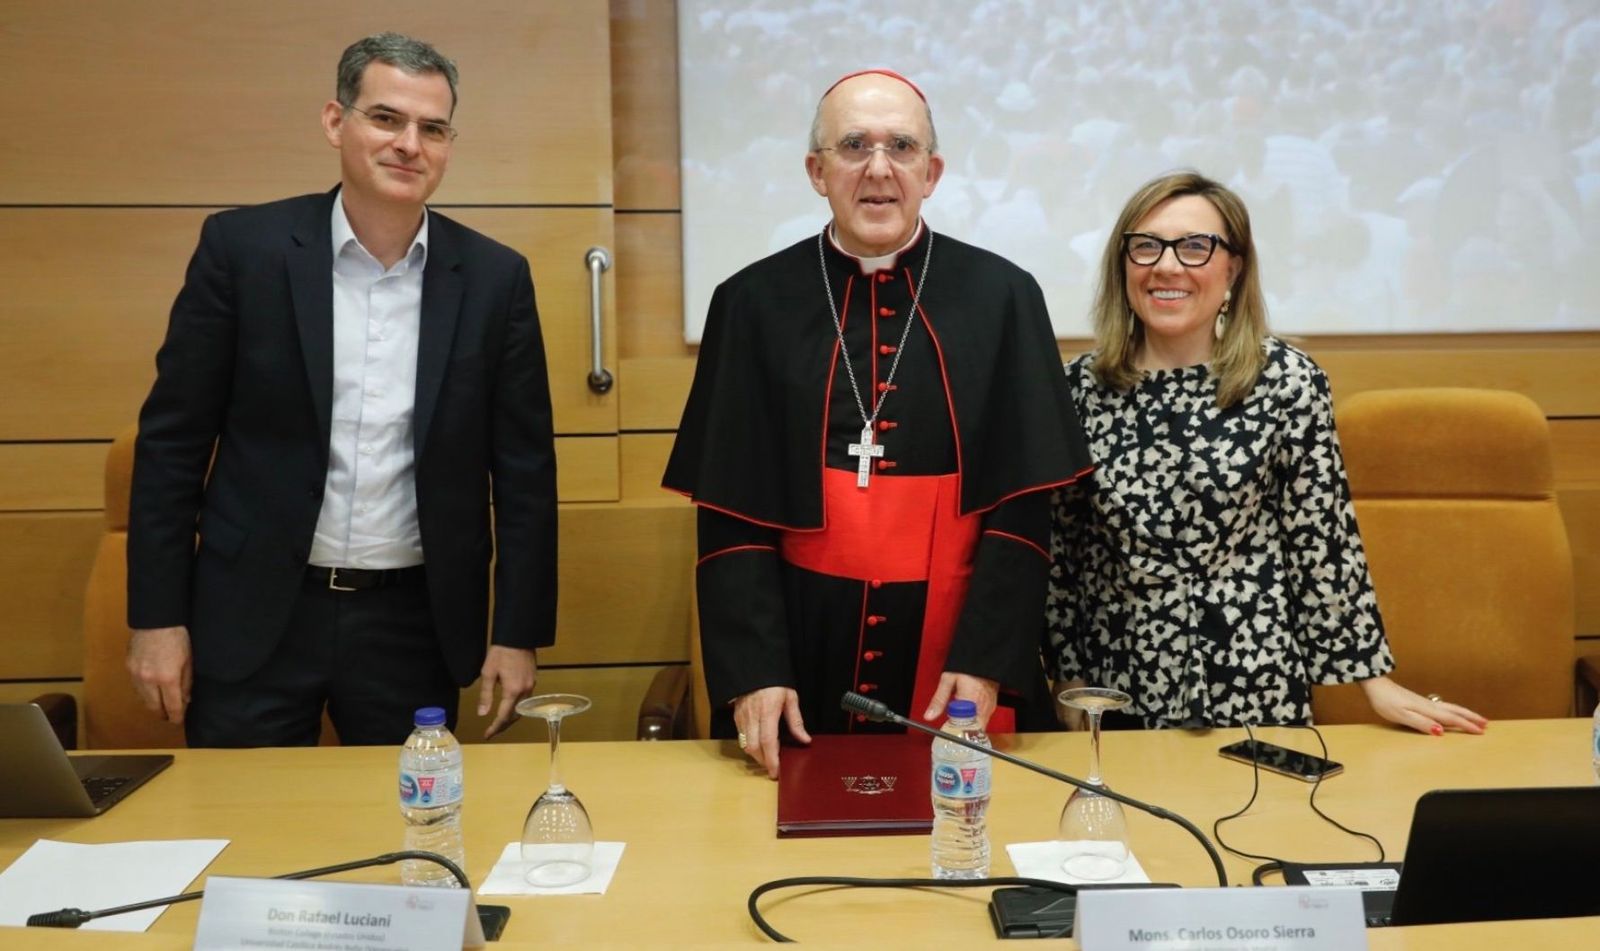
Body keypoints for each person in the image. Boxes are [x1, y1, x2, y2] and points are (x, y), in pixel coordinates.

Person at [126, 33, 558, 747]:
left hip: (412, 624)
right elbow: (172, 446)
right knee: (245, 812)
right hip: (255, 613)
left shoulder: (494, 279)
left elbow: (525, 474)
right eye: (386, 118)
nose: (409, 145)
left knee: (405, 815)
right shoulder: (243, 252)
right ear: (336, 121)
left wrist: (517, 633)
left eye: (433, 129)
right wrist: (156, 616)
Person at [664, 69, 1092, 778]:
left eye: (902, 146)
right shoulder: (750, 303)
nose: (879, 168)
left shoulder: (1005, 297)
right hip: (801, 647)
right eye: (854, 146)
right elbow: (731, 514)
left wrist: (986, 659)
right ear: (816, 171)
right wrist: (756, 669)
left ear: (932, 172)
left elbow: (1022, 509)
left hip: (955, 646)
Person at [1045, 170, 1487, 735]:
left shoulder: (1286, 382)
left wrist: (1374, 681)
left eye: (1195, 247)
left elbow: (1320, 539)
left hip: (1255, 680)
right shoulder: (1077, 390)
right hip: (1116, 684)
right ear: (1123, 264)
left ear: (1233, 268)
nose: (1167, 266)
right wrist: (1067, 677)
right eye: (1147, 246)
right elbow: (1063, 550)